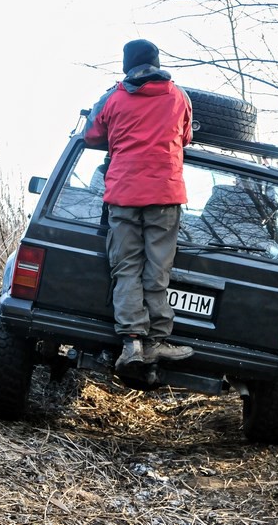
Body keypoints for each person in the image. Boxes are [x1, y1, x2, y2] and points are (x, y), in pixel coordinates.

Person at [83, 39, 195, 370]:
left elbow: (91, 135)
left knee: (126, 266)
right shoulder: (178, 97)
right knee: (157, 267)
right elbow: (186, 137)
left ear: (126, 65)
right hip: (165, 194)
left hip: (124, 195)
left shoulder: (114, 98)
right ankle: (157, 341)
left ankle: (131, 343)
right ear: (158, 63)